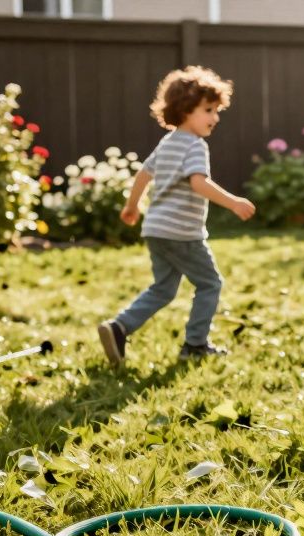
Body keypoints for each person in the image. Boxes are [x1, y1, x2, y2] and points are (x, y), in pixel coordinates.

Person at [98, 65, 255, 367]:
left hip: (155, 229)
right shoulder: (195, 145)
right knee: (210, 284)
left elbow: (143, 175)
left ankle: (119, 327)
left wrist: (132, 207)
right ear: (185, 111)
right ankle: (195, 345)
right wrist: (233, 202)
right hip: (182, 233)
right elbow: (198, 182)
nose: (215, 117)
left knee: (164, 288)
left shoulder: (166, 143)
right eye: (209, 110)